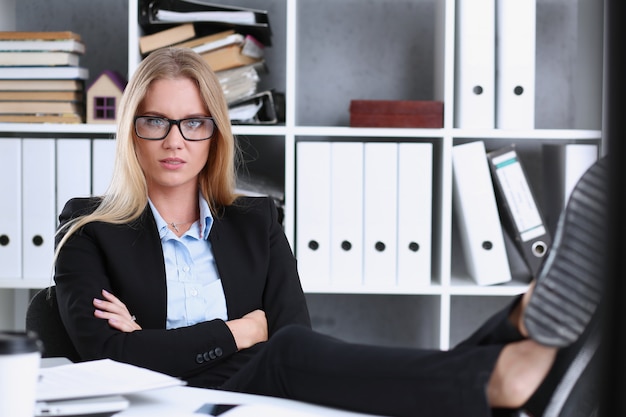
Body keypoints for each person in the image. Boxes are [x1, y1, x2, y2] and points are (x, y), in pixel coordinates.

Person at [52, 47, 604, 417]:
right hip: (167, 406)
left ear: (214, 134)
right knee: (287, 353)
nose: (176, 140)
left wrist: (156, 341)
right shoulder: (88, 231)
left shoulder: (256, 221)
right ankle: (501, 357)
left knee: (293, 349)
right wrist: (239, 332)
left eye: (194, 122)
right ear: (133, 132)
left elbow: (292, 328)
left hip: (257, 400)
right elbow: (112, 360)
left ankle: (509, 336)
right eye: (155, 121)